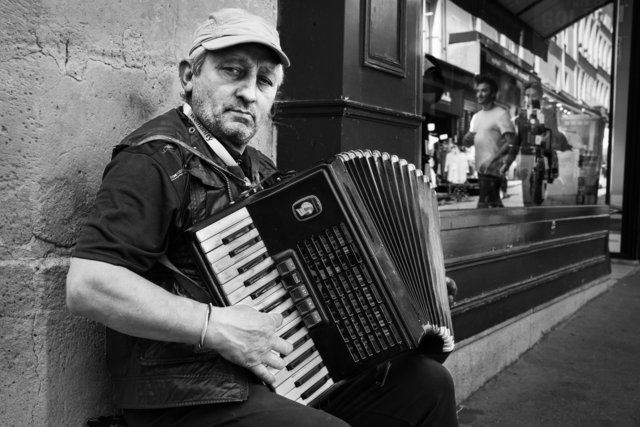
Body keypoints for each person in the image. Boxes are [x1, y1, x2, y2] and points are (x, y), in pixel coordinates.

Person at [65, 8, 459, 427]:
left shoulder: (258, 168)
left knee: (428, 383)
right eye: (233, 72)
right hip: (183, 392)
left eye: (264, 81)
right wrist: (214, 326)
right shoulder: (155, 160)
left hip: (278, 374)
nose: (249, 93)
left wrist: (402, 289)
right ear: (188, 76)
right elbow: (89, 285)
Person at [463, 75, 517, 208]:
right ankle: (503, 225)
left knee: (485, 205)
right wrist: (466, 140)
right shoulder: (476, 117)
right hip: (481, 170)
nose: (479, 94)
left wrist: (491, 160)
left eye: (484, 91)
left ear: (493, 94)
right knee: (492, 205)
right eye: (478, 91)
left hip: (493, 170)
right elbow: (469, 141)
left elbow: (511, 143)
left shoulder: (501, 114)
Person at [513, 81, 566, 206]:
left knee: (538, 196)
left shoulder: (547, 113)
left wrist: (546, 137)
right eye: (527, 95)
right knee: (526, 194)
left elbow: (553, 133)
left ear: (540, 97)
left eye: (534, 96)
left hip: (542, 156)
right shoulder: (522, 114)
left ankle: (537, 211)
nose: (530, 99)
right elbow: (518, 138)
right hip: (526, 156)